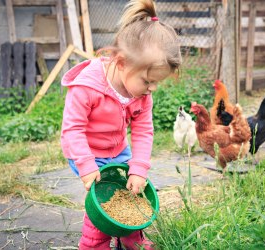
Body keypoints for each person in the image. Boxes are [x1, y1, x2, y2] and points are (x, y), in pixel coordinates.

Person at [60, 0, 181, 249]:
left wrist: (139, 167)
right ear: (122, 62)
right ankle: (93, 243)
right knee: (102, 197)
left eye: (156, 83)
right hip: (86, 152)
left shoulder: (141, 95)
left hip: (117, 150)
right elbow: (73, 130)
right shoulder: (87, 87)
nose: (152, 89)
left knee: (133, 188)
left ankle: (130, 235)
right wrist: (86, 164)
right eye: (148, 81)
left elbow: (144, 130)